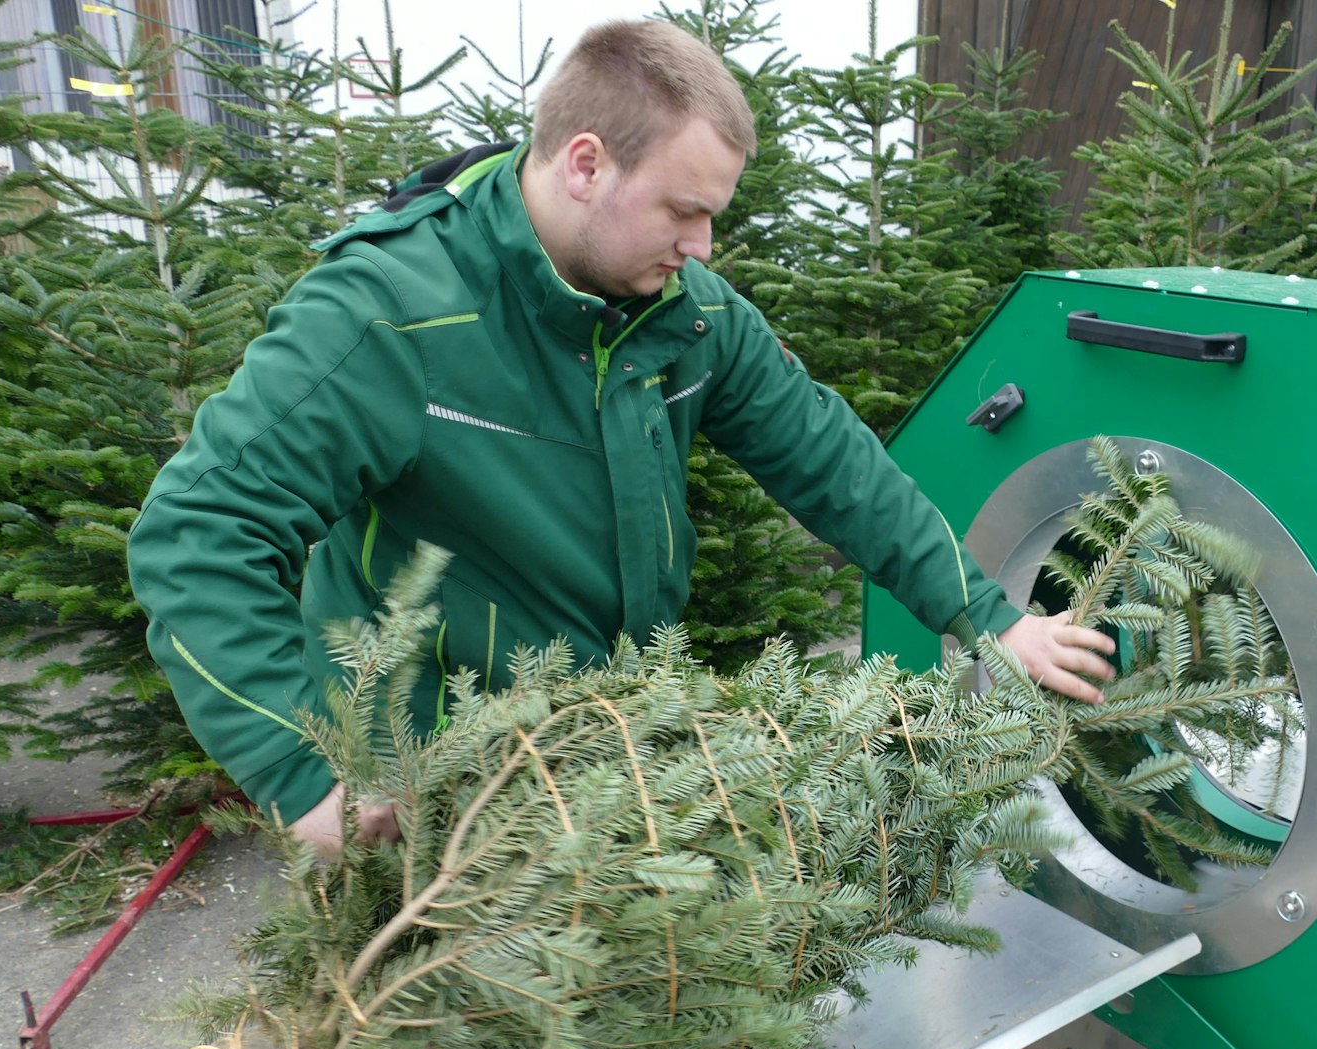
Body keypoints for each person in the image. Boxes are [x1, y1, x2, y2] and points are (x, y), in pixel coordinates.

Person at [126, 19, 1113, 857]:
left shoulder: (686, 315)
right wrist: (304, 780)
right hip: (429, 785)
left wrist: (989, 616)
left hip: (605, 755)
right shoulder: (391, 316)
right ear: (586, 163)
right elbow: (195, 534)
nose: (702, 246)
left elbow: (832, 464)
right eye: (684, 211)